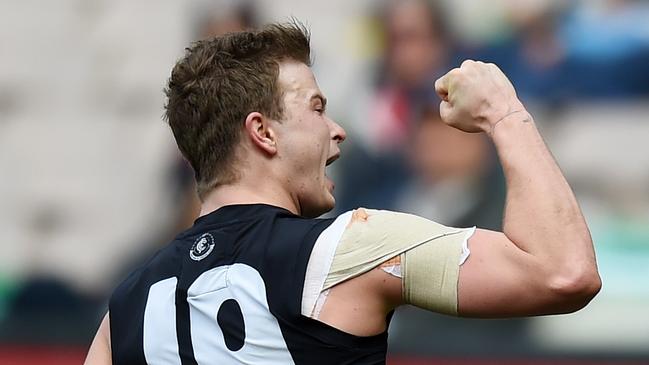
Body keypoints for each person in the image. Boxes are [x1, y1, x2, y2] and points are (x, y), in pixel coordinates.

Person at [84, 22, 601, 365]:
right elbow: (564, 273)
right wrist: (504, 112)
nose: (338, 130)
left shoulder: (127, 306)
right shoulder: (346, 250)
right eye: (315, 107)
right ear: (263, 132)